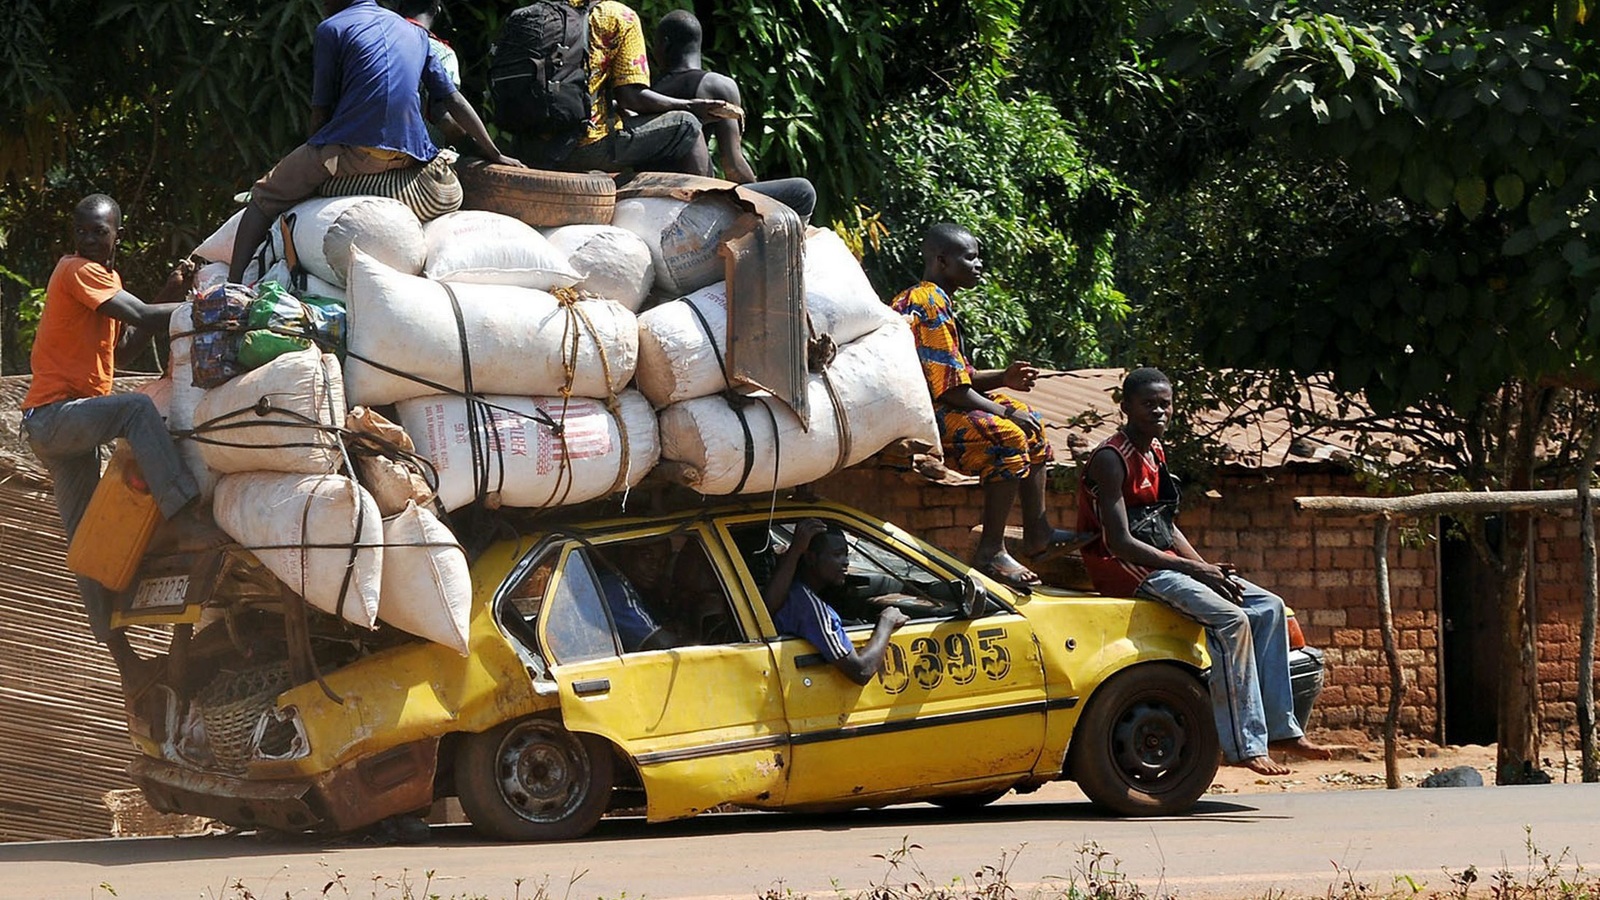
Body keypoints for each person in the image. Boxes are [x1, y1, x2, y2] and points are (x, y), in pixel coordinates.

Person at [1076, 367, 1332, 775]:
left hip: (1162, 560)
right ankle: (1245, 745)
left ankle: (1282, 730)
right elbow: (1120, 542)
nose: (1159, 411)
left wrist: (1206, 568)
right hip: (1126, 569)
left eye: (1165, 404)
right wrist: (1194, 569)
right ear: (1125, 407)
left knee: (1268, 607)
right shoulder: (1111, 459)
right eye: (1148, 404)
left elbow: (1165, 525)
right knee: (1231, 620)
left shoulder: (1156, 452)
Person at [21, 194, 202, 691]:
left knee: (89, 549)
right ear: (74, 236)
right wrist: (204, 308)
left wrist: (170, 291)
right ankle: (185, 511)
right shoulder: (76, 270)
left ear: (116, 232)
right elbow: (145, 317)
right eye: (83, 231)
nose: (90, 240)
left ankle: (127, 666)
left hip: (66, 431)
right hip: (54, 419)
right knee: (137, 408)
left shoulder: (104, 281)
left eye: (98, 232)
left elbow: (125, 346)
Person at [227, 0, 520, 283]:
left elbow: (321, 108)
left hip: (356, 149)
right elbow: (453, 99)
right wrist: (493, 153)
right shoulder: (416, 34)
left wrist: (313, 156)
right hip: (411, 154)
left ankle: (232, 286)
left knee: (264, 196)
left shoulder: (332, 28)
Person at [890, 224, 1087, 590]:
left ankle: (1038, 532)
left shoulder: (938, 301)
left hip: (941, 403)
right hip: (922, 414)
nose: (979, 265)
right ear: (942, 260)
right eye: (970, 257)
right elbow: (948, 391)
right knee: (1008, 434)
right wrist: (1005, 413)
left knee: (1035, 423)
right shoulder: (927, 301)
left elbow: (959, 377)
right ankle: (991, 551)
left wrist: (1004, 379)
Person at [510, 0, 732, 174]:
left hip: (525, 144)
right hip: (584, 145)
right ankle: (705, 208)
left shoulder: (534, 14)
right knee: (686, 124)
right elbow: (632, 98)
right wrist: (691, 107)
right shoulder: (619, 16)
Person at [650, 10, 817, 221]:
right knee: (802, 190)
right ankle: (789, 246)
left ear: (664, 44)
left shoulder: (647, 92)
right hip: (694, 193)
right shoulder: (716, 85)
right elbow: (733, 165)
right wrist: (757, 200)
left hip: (655, 189)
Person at [763, 519, 908, 685]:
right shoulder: (810, 609)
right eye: (837, 555)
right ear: (811, 558)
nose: (846, 562)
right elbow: (861, 670)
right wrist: (887, 622)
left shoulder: (792, 592)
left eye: (846, 555)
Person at [396, 0, 465, 143]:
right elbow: (443, 117)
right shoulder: (443, 53)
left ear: (399, 7)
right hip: (418, 152)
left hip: (360, 145)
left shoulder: (377, 39)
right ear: (437, 11)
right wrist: (478, 148)